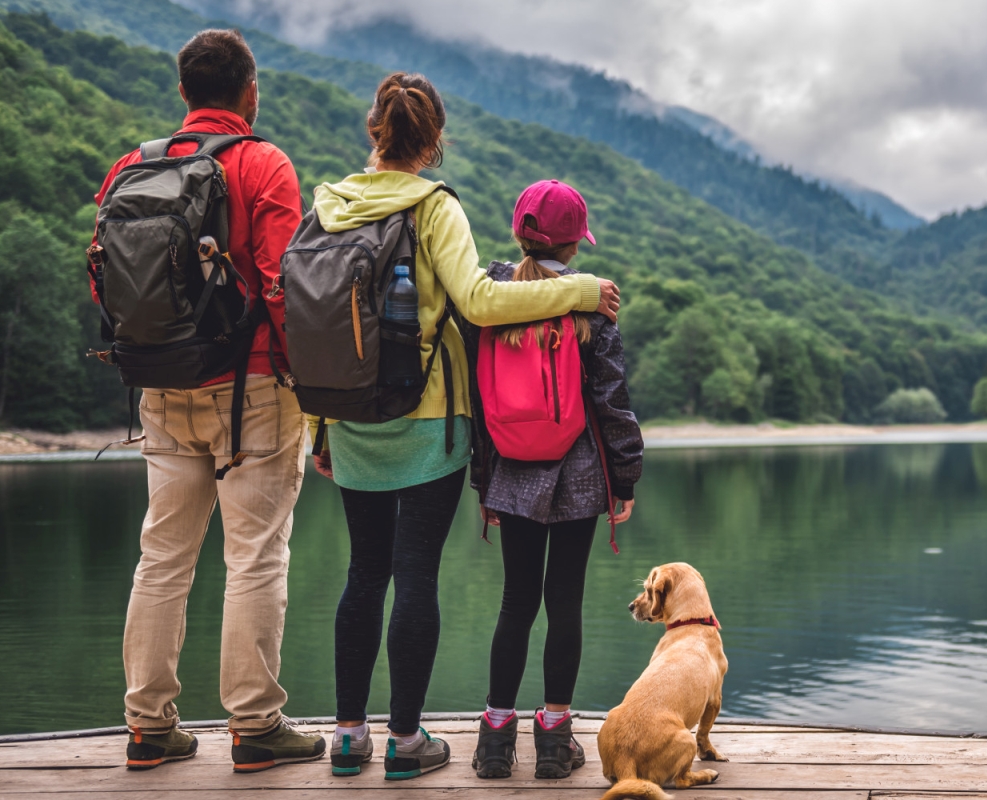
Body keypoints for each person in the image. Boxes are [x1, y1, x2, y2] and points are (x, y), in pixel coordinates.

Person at [315, 74, 622, 781]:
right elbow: (480, 303)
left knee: (363, 573)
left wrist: (317, 428)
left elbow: (315, 318)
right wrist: (581, 290)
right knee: (415, 573)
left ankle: (349, 737)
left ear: (373, 131)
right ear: (436, 140)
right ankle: (404, 742)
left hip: (348, 419)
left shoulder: (330, 204)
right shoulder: (433, 205)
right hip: (427, 422)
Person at [97, 29, 325, 773]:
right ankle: (256, 728)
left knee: (161, 557)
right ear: (249, 93)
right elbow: (280, 287)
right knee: (255, 557)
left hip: (160, 387)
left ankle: (148, 727)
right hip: (253, 387)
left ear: (184, 94)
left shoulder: (130, 168)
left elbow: (105, 279)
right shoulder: (264, 163)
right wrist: (307, 384)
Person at [472, 179, 644, 781]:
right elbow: (612, 402)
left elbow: (478, 401)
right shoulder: (592, 307)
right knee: (563, 601)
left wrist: (482, 483)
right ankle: (553, 740)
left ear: (519, 231)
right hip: (576, 473)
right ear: (574, 247)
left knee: (515, 601)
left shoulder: (490, 300)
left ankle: (494, 740)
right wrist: (625, 479)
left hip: (512, 470)